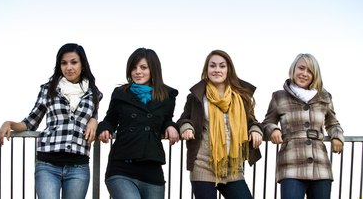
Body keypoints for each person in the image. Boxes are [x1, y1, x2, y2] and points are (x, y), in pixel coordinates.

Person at [0, 43, 103, 199]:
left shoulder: (94, 93)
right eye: (64, 63)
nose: (69, 67)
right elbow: (31, 122)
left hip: (78, 166)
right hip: (48, 165)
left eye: (74, 62)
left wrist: (94, 120)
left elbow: (93, 115)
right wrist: (9, 123)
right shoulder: (48, 89)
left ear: (83, 65)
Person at [177, 49, 263, 199]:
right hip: (203, 165)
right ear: (206, 69)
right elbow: (184, 119)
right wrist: (186, 127)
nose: (217, 70)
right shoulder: (196, 97)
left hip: (233, 169)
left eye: (222, 66)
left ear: (228, 70)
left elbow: (252, 122)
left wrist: (256, 130)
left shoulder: (241, 97)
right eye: (213, 66)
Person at [96, 47, 179, 199]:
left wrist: (171, 125)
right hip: (122, 166)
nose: (137, 72)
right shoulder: (121, 93)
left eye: (143, 67)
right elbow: (110, 119)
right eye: (134, 68)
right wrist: (105, 128)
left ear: (153, 69)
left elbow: (166, 119)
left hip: (152, 168)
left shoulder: (167, 97)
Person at [262, 53, 344, 199]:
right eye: (301, 68)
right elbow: (267, 123)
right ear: (293, 69)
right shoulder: (279, 97)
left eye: (310, 71)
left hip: (321, 166)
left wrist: (337, 137)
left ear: (315, 75)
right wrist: (273, 129)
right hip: (291, 164)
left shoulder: (325, 97)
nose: (304, 74)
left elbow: (333, 123)